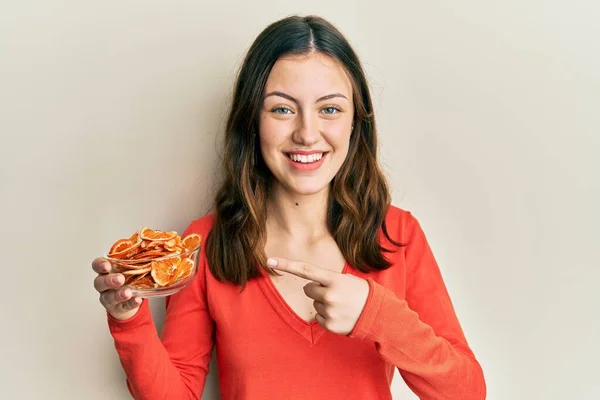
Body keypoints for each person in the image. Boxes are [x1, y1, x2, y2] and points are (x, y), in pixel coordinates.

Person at [92, 14, 486, 400]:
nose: (307, 133)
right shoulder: (206, 243)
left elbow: (467, 393)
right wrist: (129, 321)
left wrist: (375, 314)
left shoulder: (397, 236)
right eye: (282, 109)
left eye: (330, 109)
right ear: (252, 121)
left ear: (355, 123)